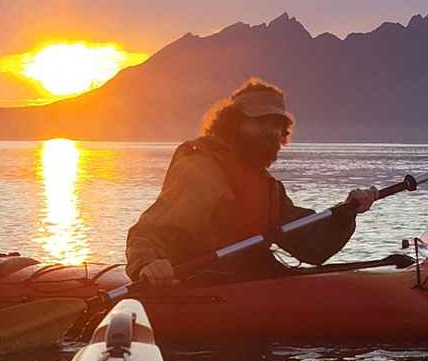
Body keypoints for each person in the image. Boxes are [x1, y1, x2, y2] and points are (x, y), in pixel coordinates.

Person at [127, 78, 378, 287]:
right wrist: (146, 264)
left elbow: (310, 246)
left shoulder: (265, 186)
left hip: (248, 283)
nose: (272, 131)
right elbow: (148, 232)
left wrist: (345, 213)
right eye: (260, 121)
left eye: (277, 124)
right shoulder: (201, 171)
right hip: (202, 286)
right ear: (233, 123)